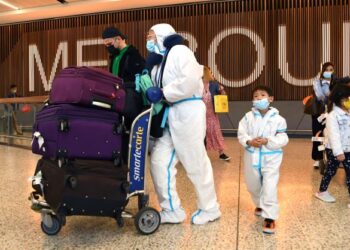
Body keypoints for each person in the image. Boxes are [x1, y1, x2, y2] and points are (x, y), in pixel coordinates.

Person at [146, 23, 221, 225]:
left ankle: (210, 208)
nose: (148, 39)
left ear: (162, 35)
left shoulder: (180, 51)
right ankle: (171, 210)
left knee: (195, 163)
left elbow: (189, 81)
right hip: (169, 114)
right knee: (159, 162)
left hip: (188, 111)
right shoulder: (159, 62)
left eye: (151, 35)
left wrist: (163, 92)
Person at [238, 85, 289, 234]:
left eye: (262, 95)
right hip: (252, 155)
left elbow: (283, 137)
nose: (259, 98)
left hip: (271, 157)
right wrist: (249, 141)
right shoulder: (247, 117)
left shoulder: (278, 119)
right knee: (252, 184)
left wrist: (268, 141)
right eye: (256, 96)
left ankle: (270, 217)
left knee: (269, 185)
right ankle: (259, 203)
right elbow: (241, 134)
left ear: (270, 99)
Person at [102, 27, 145, 164]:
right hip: (118, 98)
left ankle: (131, 162)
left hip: (130, 100)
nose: (108, 47)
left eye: (109, 44)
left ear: (118, 39)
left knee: (130, 131)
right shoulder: (115, 57)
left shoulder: (133, 55)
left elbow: (136, 80)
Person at [314, 83, 350, 204]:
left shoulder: (348, 112)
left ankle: (322, 191)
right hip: (336, 150)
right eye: (348, 98)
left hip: (348, 148)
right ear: (340, 99)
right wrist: (338, 152)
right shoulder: (332, 116)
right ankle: (322, 192)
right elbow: (334, 136)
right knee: (331, 170)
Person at [202, 66, 230, 161]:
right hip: (199, 115)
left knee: (216, 133)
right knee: (202, 134)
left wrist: (222, 90)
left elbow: (224, 96)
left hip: (211, 114)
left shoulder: (214, 84)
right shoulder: (196, 84)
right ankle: (202, 153)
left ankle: (221, 153)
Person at [311, 62, 334, 169]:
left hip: (332, 112)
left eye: (331, 70)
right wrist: (331, 96)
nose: (329, 72)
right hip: (319, 111)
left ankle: (331, 157)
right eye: (327, 69)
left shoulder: (335, 82)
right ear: (323, 71)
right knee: (318, 134)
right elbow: (320, 96)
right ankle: (317, 158)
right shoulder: (317, 82)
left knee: (331, 134)